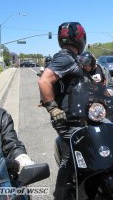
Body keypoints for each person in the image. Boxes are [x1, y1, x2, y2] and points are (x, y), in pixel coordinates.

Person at [38, 22, 87, 200]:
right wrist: (53, 108)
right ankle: (60, 196)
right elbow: (44, 81)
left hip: (75, 116)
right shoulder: (65, 58)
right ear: (80, 38)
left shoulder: (70, 58)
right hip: (67, 119)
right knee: (69, 159)